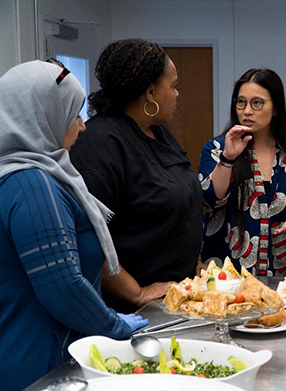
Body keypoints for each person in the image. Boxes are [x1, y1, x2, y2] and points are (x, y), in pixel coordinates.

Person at [0, 60, 148, 391]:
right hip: (39, 369)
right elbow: (62, 287)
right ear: (43, 115)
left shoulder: (27, 175)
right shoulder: (31, 184)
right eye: (74, 114)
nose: (82, 126)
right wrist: (113, 325)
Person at [70, 39, 203, 313]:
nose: (178, 94)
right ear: (151, 92)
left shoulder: (157, 129)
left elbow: (179, 200)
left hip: (176, 297)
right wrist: (137, 292)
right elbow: (86, 238)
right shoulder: (100, 146)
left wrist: (194, 262)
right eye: (174, 86)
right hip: (133, 311)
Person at [199, 68, 286, 276]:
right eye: (241, 102)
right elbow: (210, 200)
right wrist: (228, 159)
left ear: (275, 108)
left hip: (278, 275)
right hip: (226, 275)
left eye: (257, 103)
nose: (247, 111)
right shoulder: (216, 149)